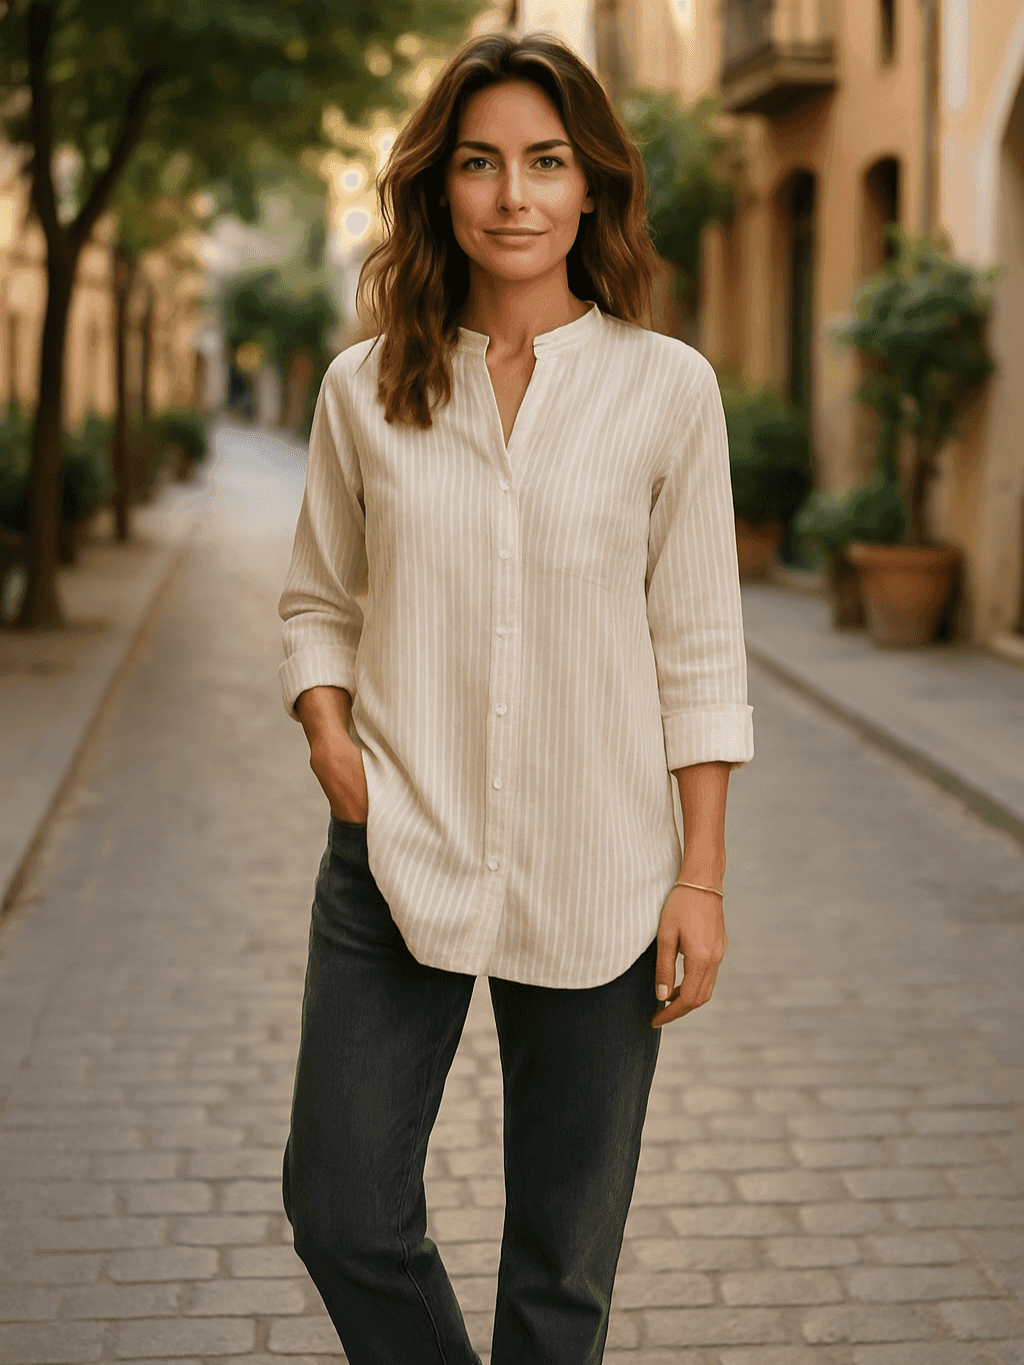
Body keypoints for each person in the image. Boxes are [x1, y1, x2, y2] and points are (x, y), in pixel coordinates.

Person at [277, 30, 754, 1365]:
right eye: (480, 163)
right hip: (394, 851)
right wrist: (329, 732)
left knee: (560, 1274)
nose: (513, 194)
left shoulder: (667, 392)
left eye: (545, 161)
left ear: (591, 185)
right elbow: (319, 598)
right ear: (440, 187)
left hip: (600, 866)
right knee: (340, 1210)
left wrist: (700, 879)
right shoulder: (364, 390)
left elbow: (700, 647)